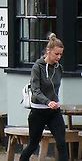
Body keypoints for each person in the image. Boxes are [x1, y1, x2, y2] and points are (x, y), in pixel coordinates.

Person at [19, 33, 67, 161]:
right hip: (38, 111)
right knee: (33, 145)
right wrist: (47, 102)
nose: (59, 57)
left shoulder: (59, 68)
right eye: (56, 54)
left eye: (61, 54)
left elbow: (55, 88)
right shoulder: (37, 67)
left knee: (62, 143)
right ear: (48, 51)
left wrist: (55, 102)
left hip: (53, 112)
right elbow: (35, 90)